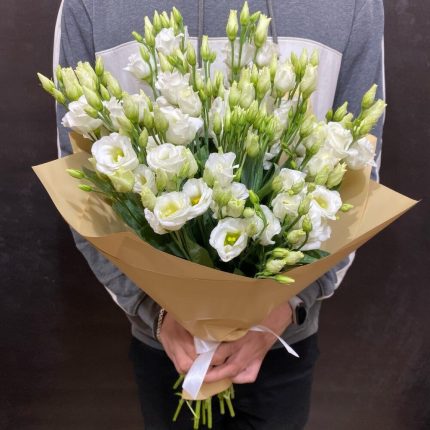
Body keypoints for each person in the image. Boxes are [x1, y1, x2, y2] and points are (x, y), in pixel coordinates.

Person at [54, 0, 385, 428]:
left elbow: (360, 169)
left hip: (284, 337)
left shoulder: (353, 6)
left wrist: (288, 305)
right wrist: (154, 312)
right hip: (167, 344)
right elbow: (80, 179)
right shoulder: (89, 6)